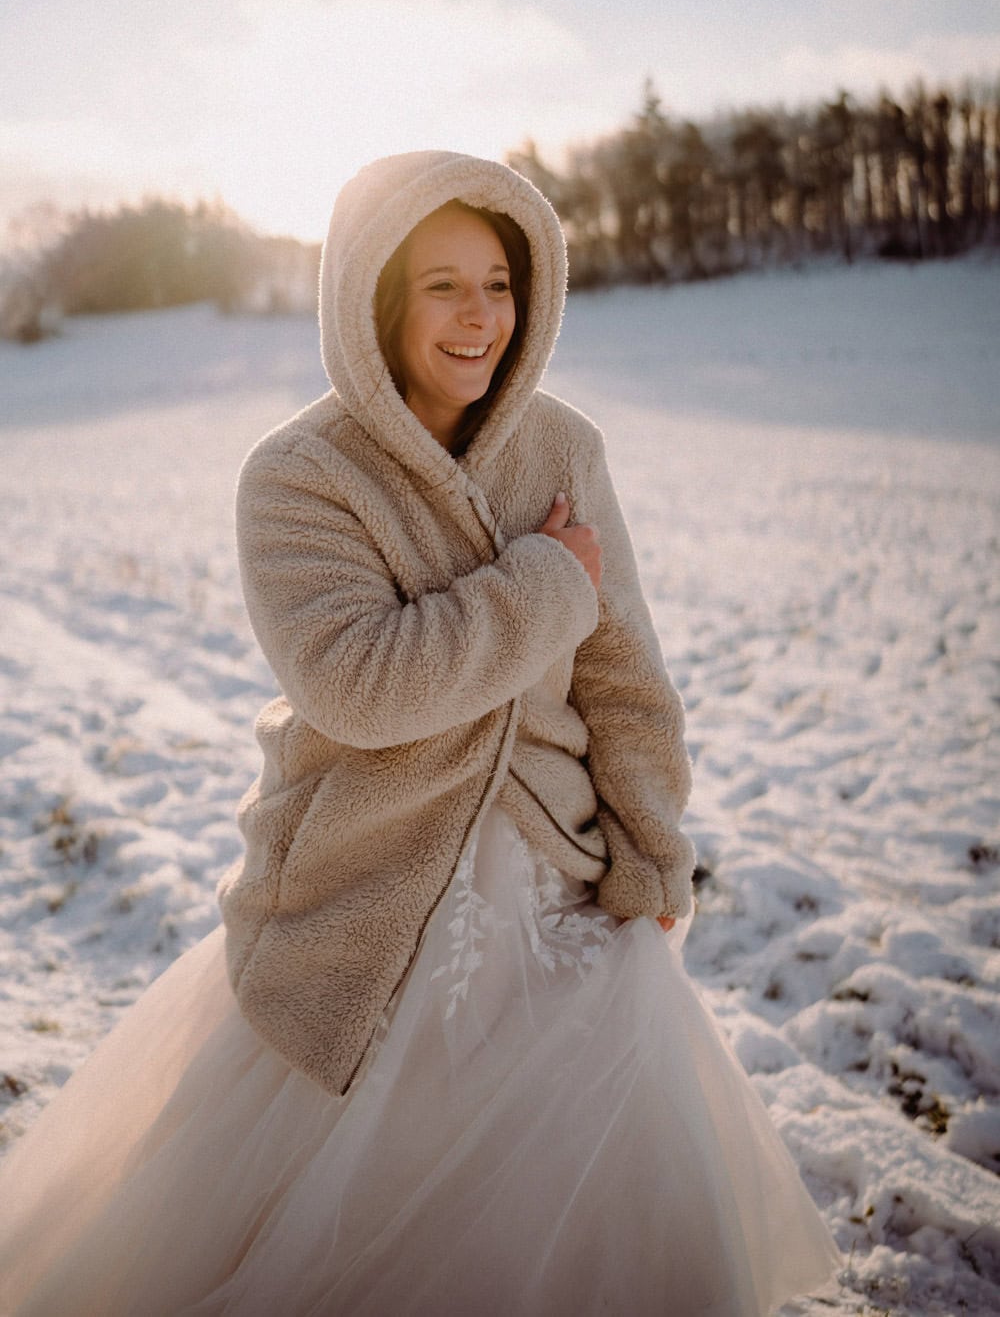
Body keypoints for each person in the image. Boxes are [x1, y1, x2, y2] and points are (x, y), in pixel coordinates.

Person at [0, 151, 840, 1316]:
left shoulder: (563, 450)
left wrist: (650, 844)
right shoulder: (298, 476)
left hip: (559, 885)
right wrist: (546, 579)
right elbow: (358, 685)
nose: (477, 316)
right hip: (363, 881)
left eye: (497, 281)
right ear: (373, 299)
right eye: (440, 284)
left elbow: (624, 675)